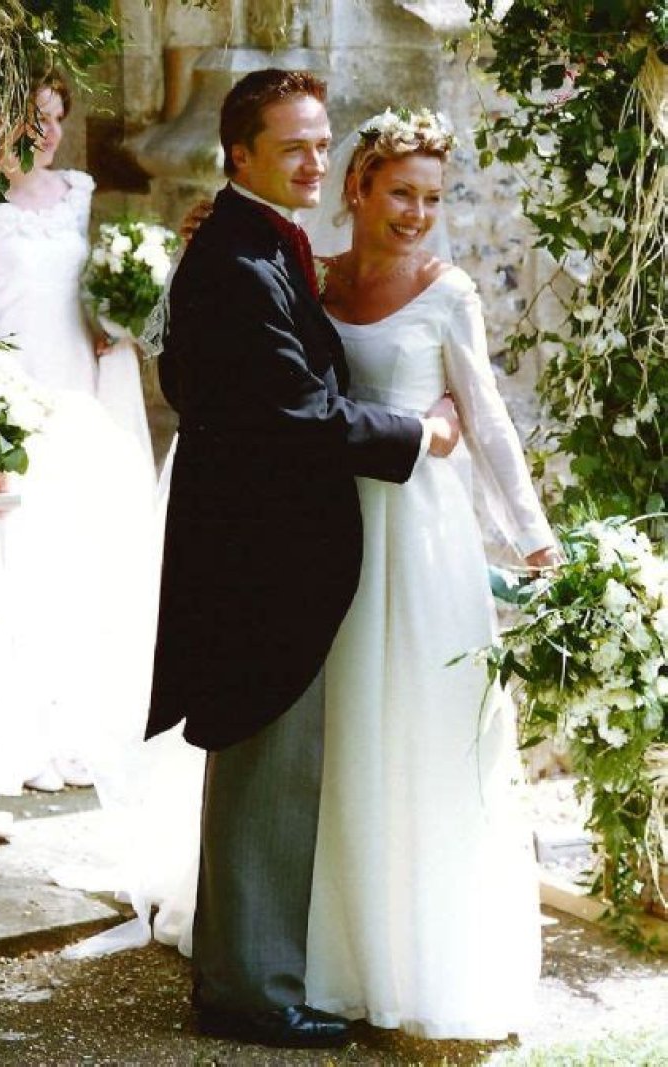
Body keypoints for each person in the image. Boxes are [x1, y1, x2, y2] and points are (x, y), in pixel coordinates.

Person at [143, 69, 460, 1050]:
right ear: (239, 154)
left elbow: (194, 375)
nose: (317, 161)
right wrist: (418, 434)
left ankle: (245, 970)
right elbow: (297, 411)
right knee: (265, 772)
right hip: (259, 561)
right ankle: (250, 993)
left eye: (324, 143)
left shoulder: (256, 241)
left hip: (262, 549)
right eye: (294, 147)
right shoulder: (237, 260)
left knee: (262, 768)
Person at [297, 107, 559, 1039]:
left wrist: (533, 538)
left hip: (424, 534)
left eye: (433, 198)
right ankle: (343, 945)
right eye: (400, 193)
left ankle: (432, 950)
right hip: (330, 528)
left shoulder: (449, 293)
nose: (416, 213)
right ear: (357, 186)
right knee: (345, 722)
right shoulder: (314, 278)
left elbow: (485, 420)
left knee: (427, 719)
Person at [0, 72, 157, 823]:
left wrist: (118, 318)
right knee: (21, 564)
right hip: (15, 399)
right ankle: (23, 734)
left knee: (80, 561)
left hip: (79, 394)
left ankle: (77, 732)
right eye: (28, 117)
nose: (43, 132)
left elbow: (90, 296)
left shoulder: (77, 193)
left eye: (53, 117)